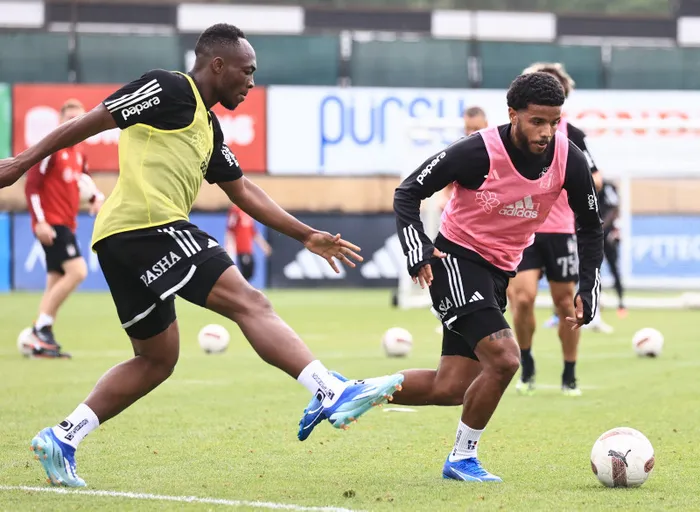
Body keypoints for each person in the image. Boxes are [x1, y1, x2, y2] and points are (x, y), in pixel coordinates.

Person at [0, 23, 404, 487]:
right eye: (246, 71)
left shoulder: (208, 126)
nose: (251, 81)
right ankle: (329, 390)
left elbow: (243, 190)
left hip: (119, 239)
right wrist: (21, 162)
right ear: (217, 65)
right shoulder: (168, 87)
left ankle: (63, 437)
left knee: (156, 360)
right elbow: (92, 119)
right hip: (147, 227)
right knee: (251, 302)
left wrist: (306, 235)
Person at [371, 72, 603, 482]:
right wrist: (416, 246)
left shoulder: (570, 157)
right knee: (505, 359)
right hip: (456, 260)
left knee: (450, 387)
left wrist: (588, 285)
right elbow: (408, 192)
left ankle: (348, 391)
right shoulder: (477, 151)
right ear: (513, 114)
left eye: (554, 122)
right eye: (537, 121)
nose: (547, 132)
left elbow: (589, 224)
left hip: (497, 270)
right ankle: (462, 459)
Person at [505, 62, 605, 397]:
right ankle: (527, 363)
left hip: (561, 229)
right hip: (523, 229)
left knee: (566, 304)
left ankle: (569, 373)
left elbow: (596, 179)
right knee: (522, 298)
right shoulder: (516, 134)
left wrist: (569, 180)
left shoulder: (572, 137)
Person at [23, 99, 104, 359]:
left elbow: (84, 181)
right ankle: (40, 329)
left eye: (79, 119)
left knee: (55, 281)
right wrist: (40, 222)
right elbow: (32, 186)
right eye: (70, 119)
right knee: (78, 271)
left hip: (67, 223)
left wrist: (95, 198)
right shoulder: (51, 148)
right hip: (53, 223)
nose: (75, 123)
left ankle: (39, 339)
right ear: (60, 122)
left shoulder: (79, 152)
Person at [598, 179, 625, 316]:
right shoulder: (584, 184)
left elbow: (614, 208)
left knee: (614, 268)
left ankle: (621, 303)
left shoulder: (608, 187)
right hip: (593, 235)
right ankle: (596, 302)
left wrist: (601, 227)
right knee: (593, 270)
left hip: (608, 235)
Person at [225, 203, 271, 281]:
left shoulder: (249, 210)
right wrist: (229, 246)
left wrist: (264, 246)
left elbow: (253, 232)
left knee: (249, 272)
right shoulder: (235, 210)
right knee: (243, 273)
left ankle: (240, 287)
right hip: (239, 249)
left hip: (248, 249)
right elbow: (230, 230)